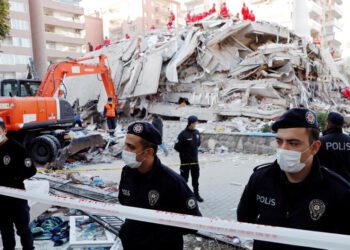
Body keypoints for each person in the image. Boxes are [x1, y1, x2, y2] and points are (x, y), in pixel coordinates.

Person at [237, 108, 350, 250]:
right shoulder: (260, 180)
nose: (283, 149)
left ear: (314, 147)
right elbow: (244, 221)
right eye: (279, 142)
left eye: (293, 143)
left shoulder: (338, 191)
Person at [118, 122, 202, 250]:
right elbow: (124, 202)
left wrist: (161, 235)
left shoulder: (173, 182)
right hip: (131, 243)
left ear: (149, 152)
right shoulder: (127, 172)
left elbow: (194, 222)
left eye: (131, 146)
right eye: (125, 144)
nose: (125, 149)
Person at [0, 118, 36, 250]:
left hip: (17, 197)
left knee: (23, 230)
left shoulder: (16, 148)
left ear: (4, 130)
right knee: (5, 231)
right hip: (1, 200)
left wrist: (14, 179)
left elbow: (31, 170)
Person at [174, 115, 203, 202]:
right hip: (185, 162)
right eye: (195, 122)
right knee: (184, 180)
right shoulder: (182, 134)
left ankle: (196, 195)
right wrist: (185, 153)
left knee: (195, 179)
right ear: (191, 123)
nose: (196, 124)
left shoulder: (197, 133)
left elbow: (197, 144)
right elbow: (176, 147)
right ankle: (182, 195)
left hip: (195, 162)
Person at [317, 112, 350, 182]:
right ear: (342, 125)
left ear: (328, 123)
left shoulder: (320, 142)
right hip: (346, 185)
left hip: (325, 184)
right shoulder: (348, 140)